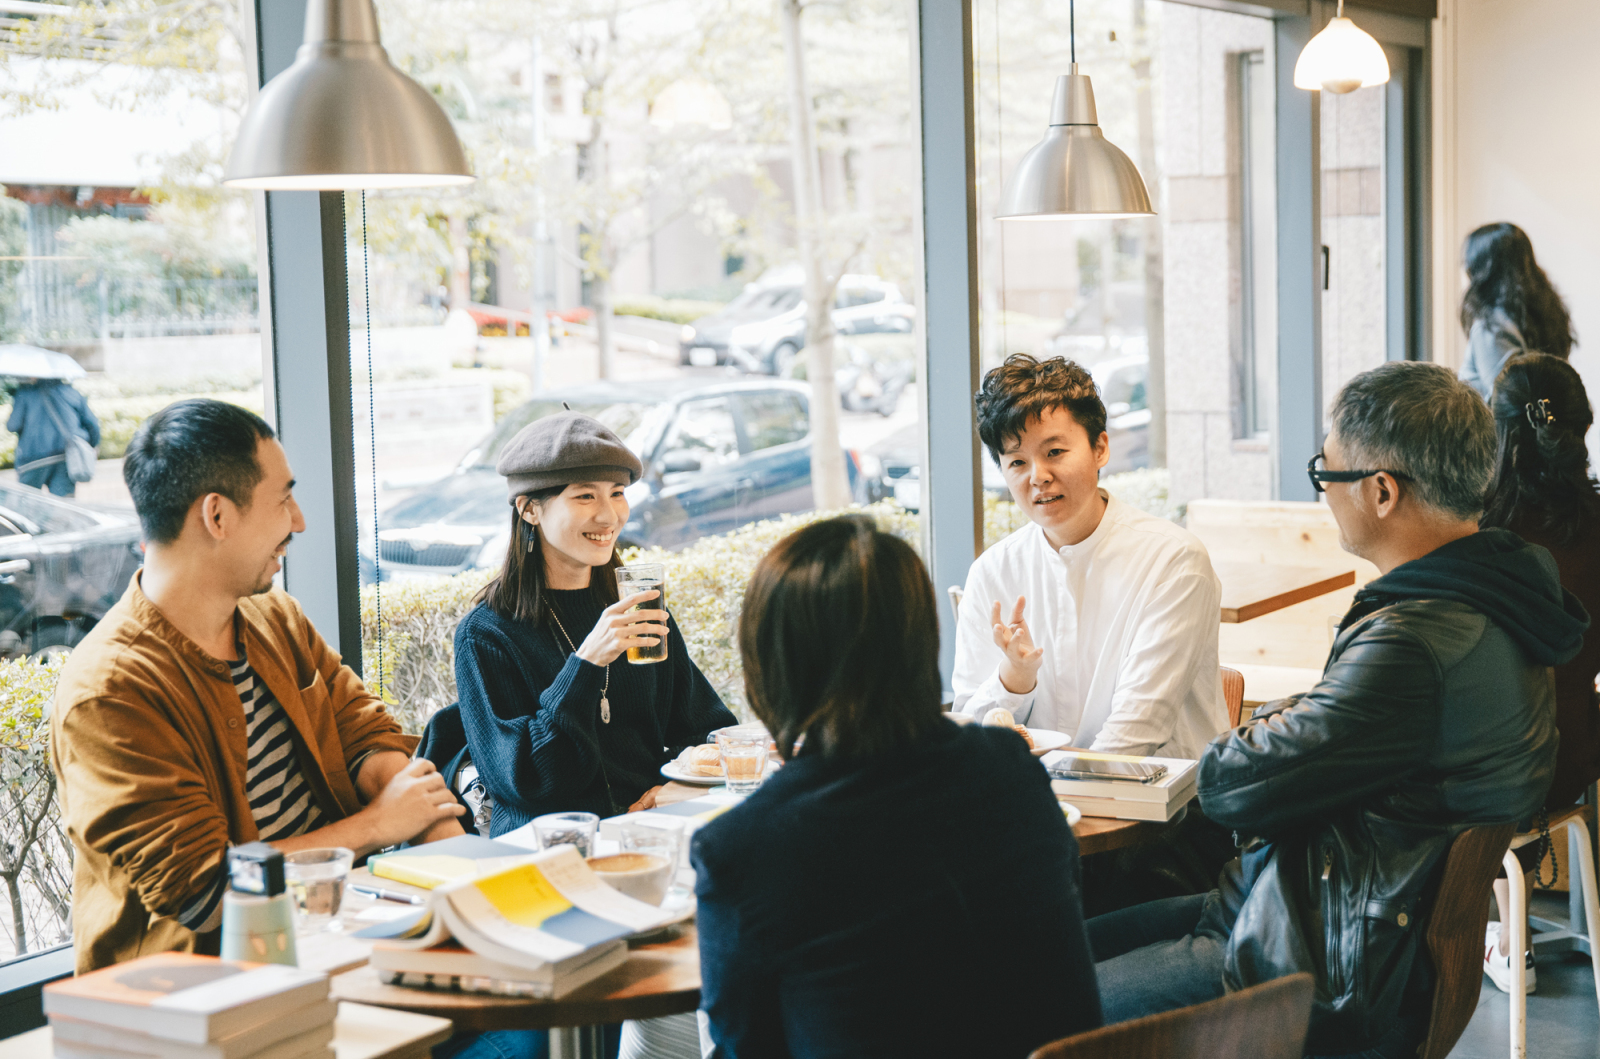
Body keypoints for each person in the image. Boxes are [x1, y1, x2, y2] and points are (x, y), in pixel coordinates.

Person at [1089, 362, 1586, 1059]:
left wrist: (1269, 725)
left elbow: (1233, 785)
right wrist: (1295, 718)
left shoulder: (1414, 643)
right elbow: (1314, 743)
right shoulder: (1498, 598)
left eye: (1327, 474)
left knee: (1033, 997)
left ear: (1381, 491)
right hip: (1326, 916)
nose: (1323, 494)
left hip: (1311, 959)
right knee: (1047, 948)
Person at [50, 399, 466, 972]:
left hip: (341, 936)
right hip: (213, 990)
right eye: (283, 499)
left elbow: (366, 734)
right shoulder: (110, 691)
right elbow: (203, 890)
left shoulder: (276, 619)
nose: (298, 521)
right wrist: (380, 825)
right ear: (217, 517)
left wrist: (439, 834)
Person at [694, 516, 1101, 1058]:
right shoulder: (1008, 769)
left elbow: (744, 1044)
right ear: (919, 640)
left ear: (770, 662)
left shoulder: (743, 847)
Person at [453, 410, 735, 837]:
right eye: (585, 496)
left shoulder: (637, 609)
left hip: (650, 833)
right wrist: (585, 664)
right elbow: (528, 781)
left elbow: (708, 730)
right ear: (530, 509)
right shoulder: (487, 634)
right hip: (546, 853)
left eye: (617, 493)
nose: (609, 517)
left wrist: (670, 789)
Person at [953, 353, 1226, 760]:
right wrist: (1014, 680)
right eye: (1016, 462)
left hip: (1167, 811)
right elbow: (971, 731)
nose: (1038, 476)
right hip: (1045, 803)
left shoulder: (1173, 561)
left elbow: (1136, 731)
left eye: (1055, 452)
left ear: (1099, 448)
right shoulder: (992, 573)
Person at [1479, 352, 1600, 994]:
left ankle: (1502, 937)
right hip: (1577, 757)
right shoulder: (1597, 524)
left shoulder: (1476, 532)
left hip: (1497, 778)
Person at [1457, 222, 1575, 399]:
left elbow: (1507, 405)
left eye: (1467, 263)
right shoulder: (1544, 314)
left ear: (1482, 268)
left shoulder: (1492, 327)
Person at [9, 376, 100, 498]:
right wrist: (92, 445)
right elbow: (93, 425)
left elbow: (13, 425)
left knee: (28, 505)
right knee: (63, 505)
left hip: (32, 460)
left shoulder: (25, 394)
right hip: (64, 457)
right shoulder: (71, 392)